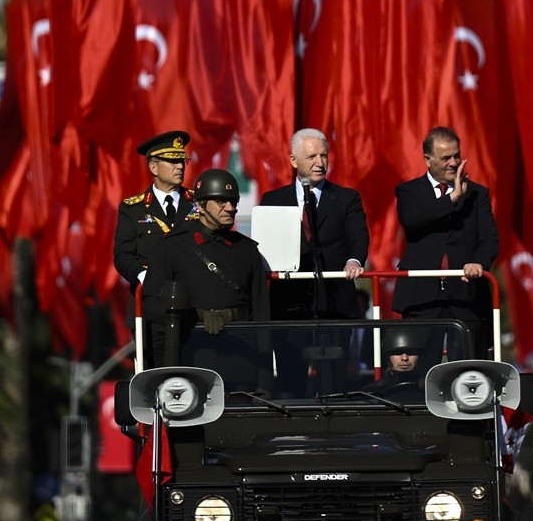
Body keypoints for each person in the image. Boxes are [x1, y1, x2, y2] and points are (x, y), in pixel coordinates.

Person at [259, 128, 368, 396]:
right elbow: (264, 248)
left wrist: (353, 261)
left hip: (334, 303)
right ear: (293, 160)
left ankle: (334, 433)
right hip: (290, 304)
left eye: (323, 156)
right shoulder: (273, 200)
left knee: (334, 381)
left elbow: (358, 237)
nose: (319, 163)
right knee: (290, 378)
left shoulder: (345, 198)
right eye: (311, 157)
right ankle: (293, 432)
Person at [142, 169, 272, 393]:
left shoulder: (247, 250)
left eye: (233, 202)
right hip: (190, 361)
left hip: (241, 362)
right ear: (200, 206)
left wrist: (265, 379)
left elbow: (262, 314)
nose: (230, 208)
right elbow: (151, 304)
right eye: (221, 202)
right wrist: (196, 315)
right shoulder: (172, 247)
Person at [392, 127, 499, 369]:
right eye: (445, 158)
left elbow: (489, 239)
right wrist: (451, 199)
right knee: (421, 375)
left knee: (468, 372)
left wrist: (478, 263)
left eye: (456, 156)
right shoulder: (409, 191)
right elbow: (412, 220)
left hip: (466, 298)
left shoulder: (477, 194)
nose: (453, 163)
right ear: (427, 160)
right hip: (422, 299)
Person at [113, 131, 197, 366]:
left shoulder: (198, 203)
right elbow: (123, 255)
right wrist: (144, 277)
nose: (180, 166)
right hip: (150, 308)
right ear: (153, 167)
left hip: (194, 307)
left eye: (182, 161)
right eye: (172, 161)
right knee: (154, 377)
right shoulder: (133, 209)